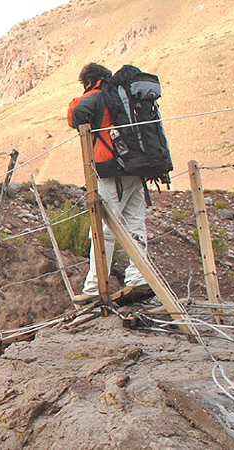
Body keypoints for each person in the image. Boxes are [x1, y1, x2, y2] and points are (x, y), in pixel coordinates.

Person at [68, 62, 150, 297]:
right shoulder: (126, 97)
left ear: (89, 82)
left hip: (111, 170)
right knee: (135, 225)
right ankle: (139, 278)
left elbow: (76, 117)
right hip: (136, 168)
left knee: (103, 229)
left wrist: (85, 97)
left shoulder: (97, 95)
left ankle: (94, 288)